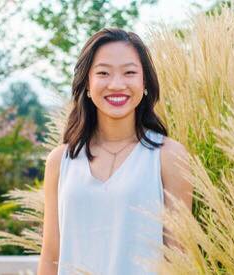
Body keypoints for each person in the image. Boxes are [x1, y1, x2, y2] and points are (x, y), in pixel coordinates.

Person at [38, 28, 193, 275]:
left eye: (129, 72)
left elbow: (180, 255)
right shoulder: (60, 161)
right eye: (103, 73)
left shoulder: (168, 156)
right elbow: (51, 255)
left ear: (145, 83)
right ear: (87, 84)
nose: (117, 84)